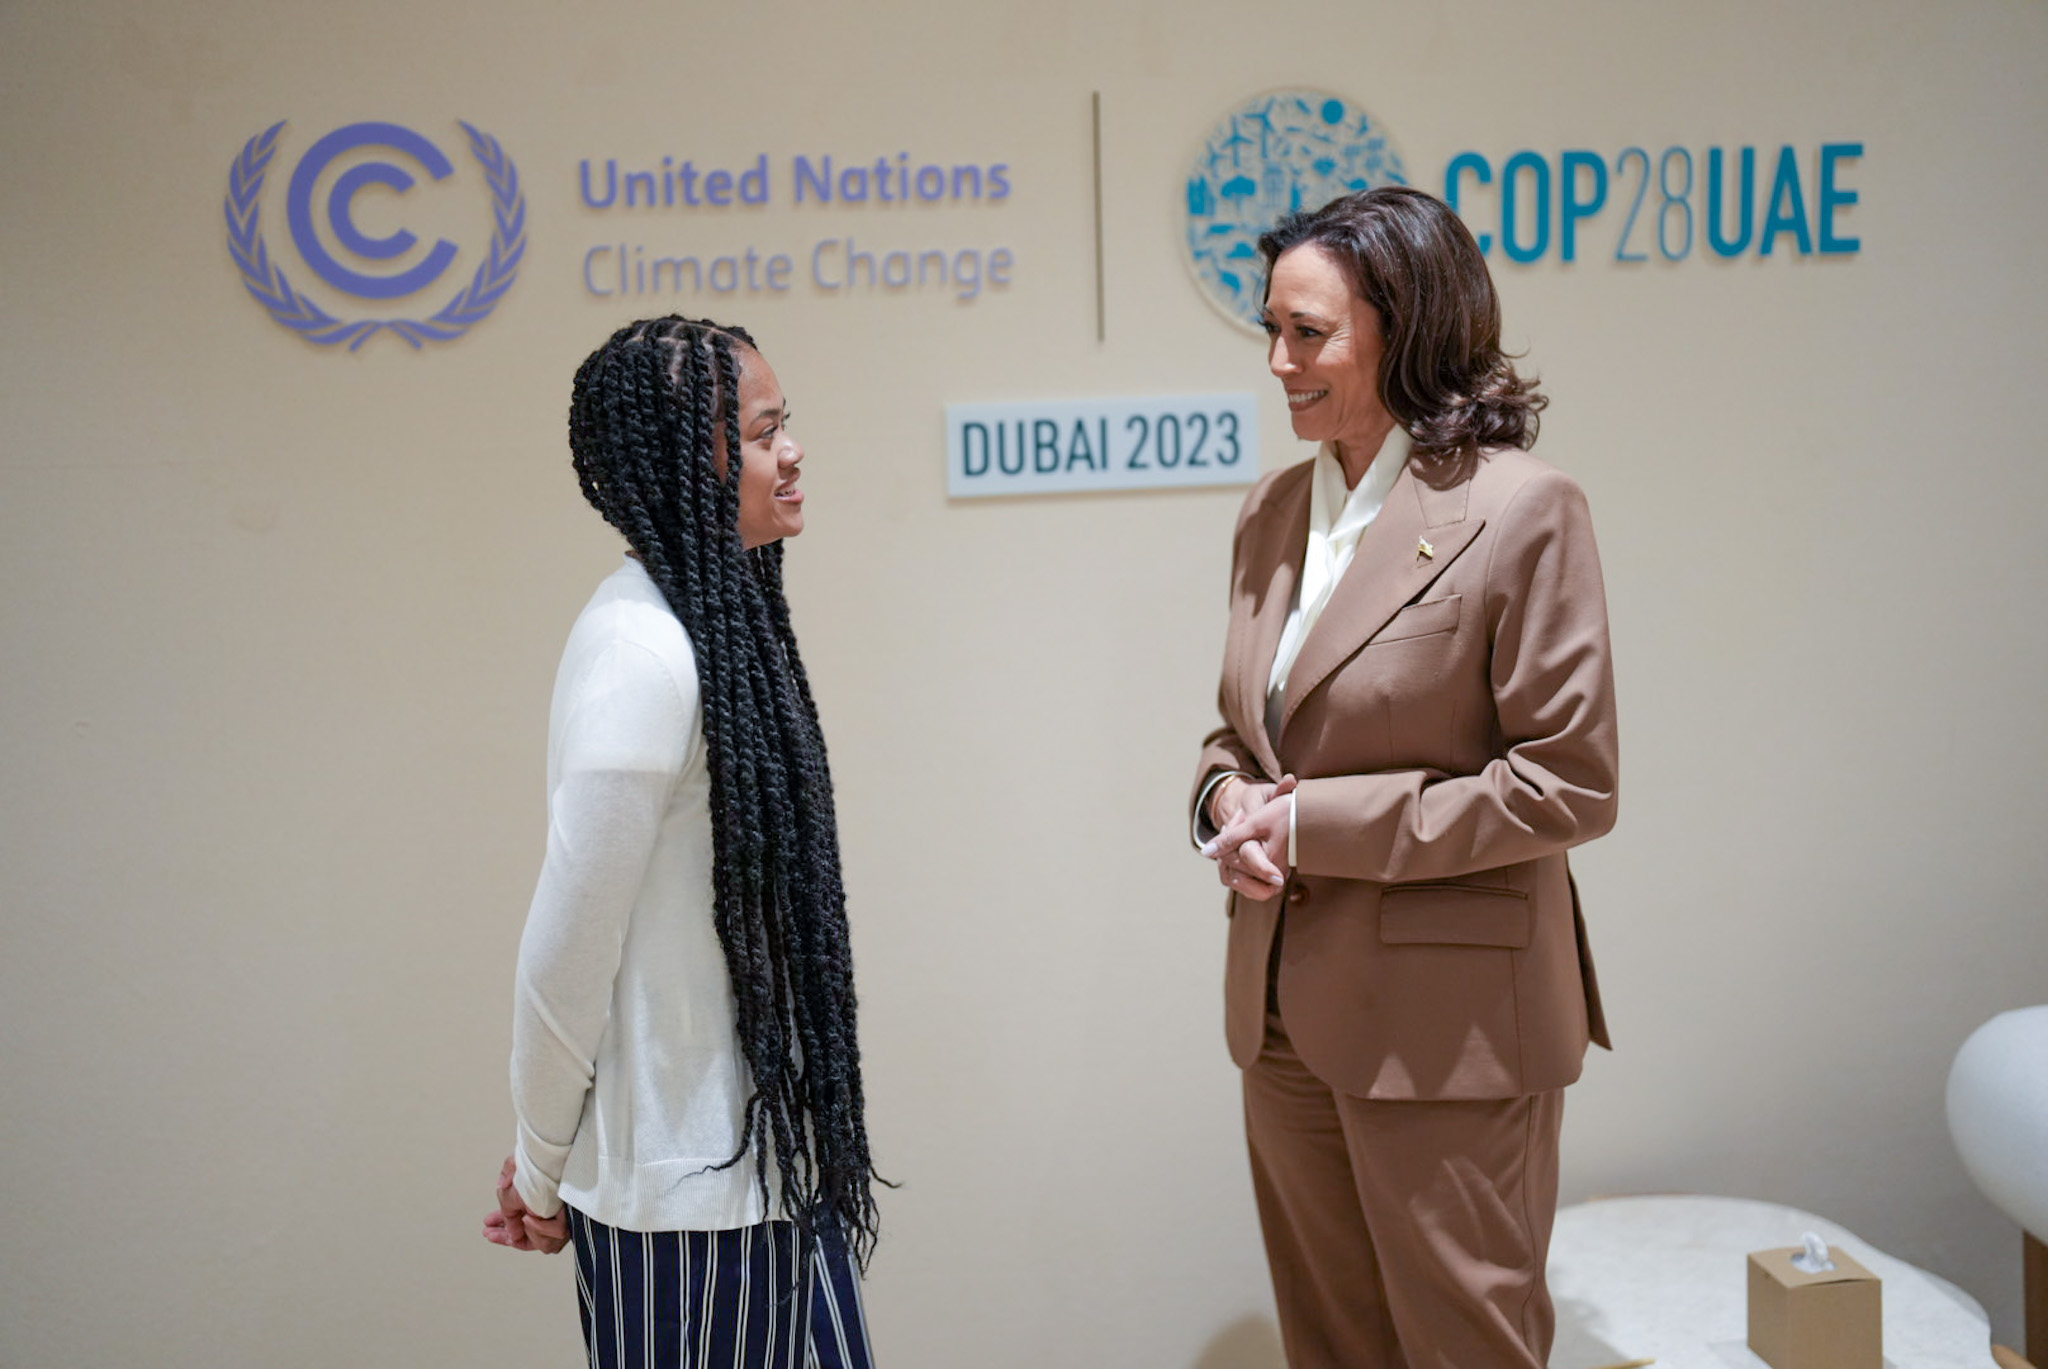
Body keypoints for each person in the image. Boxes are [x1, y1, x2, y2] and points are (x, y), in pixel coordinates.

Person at [1190, 186, 1619, 1369]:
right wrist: (1225, 801)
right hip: (1281, 1015)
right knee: (1330, 1347)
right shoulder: (1273, 509)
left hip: (1447, 1029)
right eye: (1268, 330)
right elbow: (1242, 736)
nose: (1277, 361)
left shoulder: (1522, 511)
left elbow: (1565, 783)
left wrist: (1309, 822)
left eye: (1307, 333)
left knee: (1463, 1348)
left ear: (1407, 324)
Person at [484, 316, 880, 1369]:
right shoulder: (639, 652)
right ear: (681, 458)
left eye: (783, 424)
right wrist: (538, 1165)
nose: (789, 451)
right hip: (684, 1210)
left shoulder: (718, 624)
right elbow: (566, 948)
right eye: (759, 433)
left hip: (770, 1175)